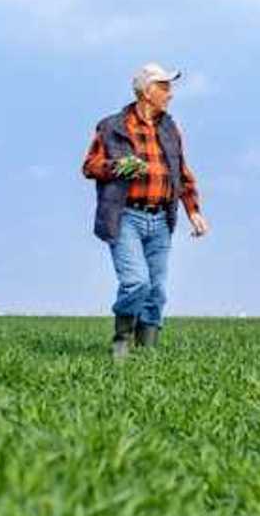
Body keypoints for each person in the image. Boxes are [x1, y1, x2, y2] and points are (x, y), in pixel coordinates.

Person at [82, 62, 210, 358]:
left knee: (157, 292)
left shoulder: (170, 127)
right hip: (126, 216)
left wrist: (193, 211)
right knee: (136, 281)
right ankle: (122, 341)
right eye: (164, 87)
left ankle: (147, 353)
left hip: (160, 219)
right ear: (146, 92)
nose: (170, 94)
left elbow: (181, 172)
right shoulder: (112, 126)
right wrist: (118, 167)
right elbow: (89, 166)